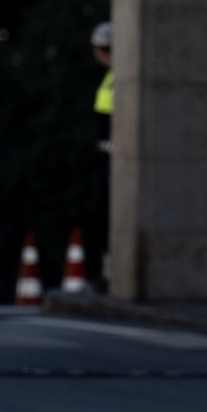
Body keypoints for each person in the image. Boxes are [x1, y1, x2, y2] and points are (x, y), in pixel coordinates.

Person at [88, 20, 113, 291]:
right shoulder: (110, 78)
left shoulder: (118, 79)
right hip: (107, 155)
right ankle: (107, 273)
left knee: (108, 214)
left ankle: (111, 275)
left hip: (113, 158)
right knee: (102, 213)